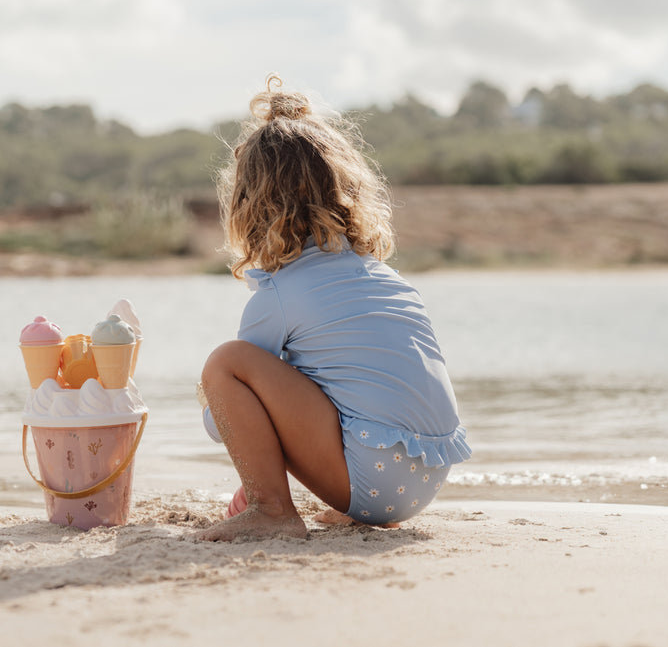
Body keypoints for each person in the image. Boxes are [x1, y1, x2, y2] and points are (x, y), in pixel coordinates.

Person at [198, 75, 471, 541]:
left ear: (250, 205)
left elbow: (221, 424)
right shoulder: (386, 279)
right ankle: (342, 506)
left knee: (226, 365)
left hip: (374, 478)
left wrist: (211, 400)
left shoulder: (278, 295)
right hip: (427, 478)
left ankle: (271, 510)